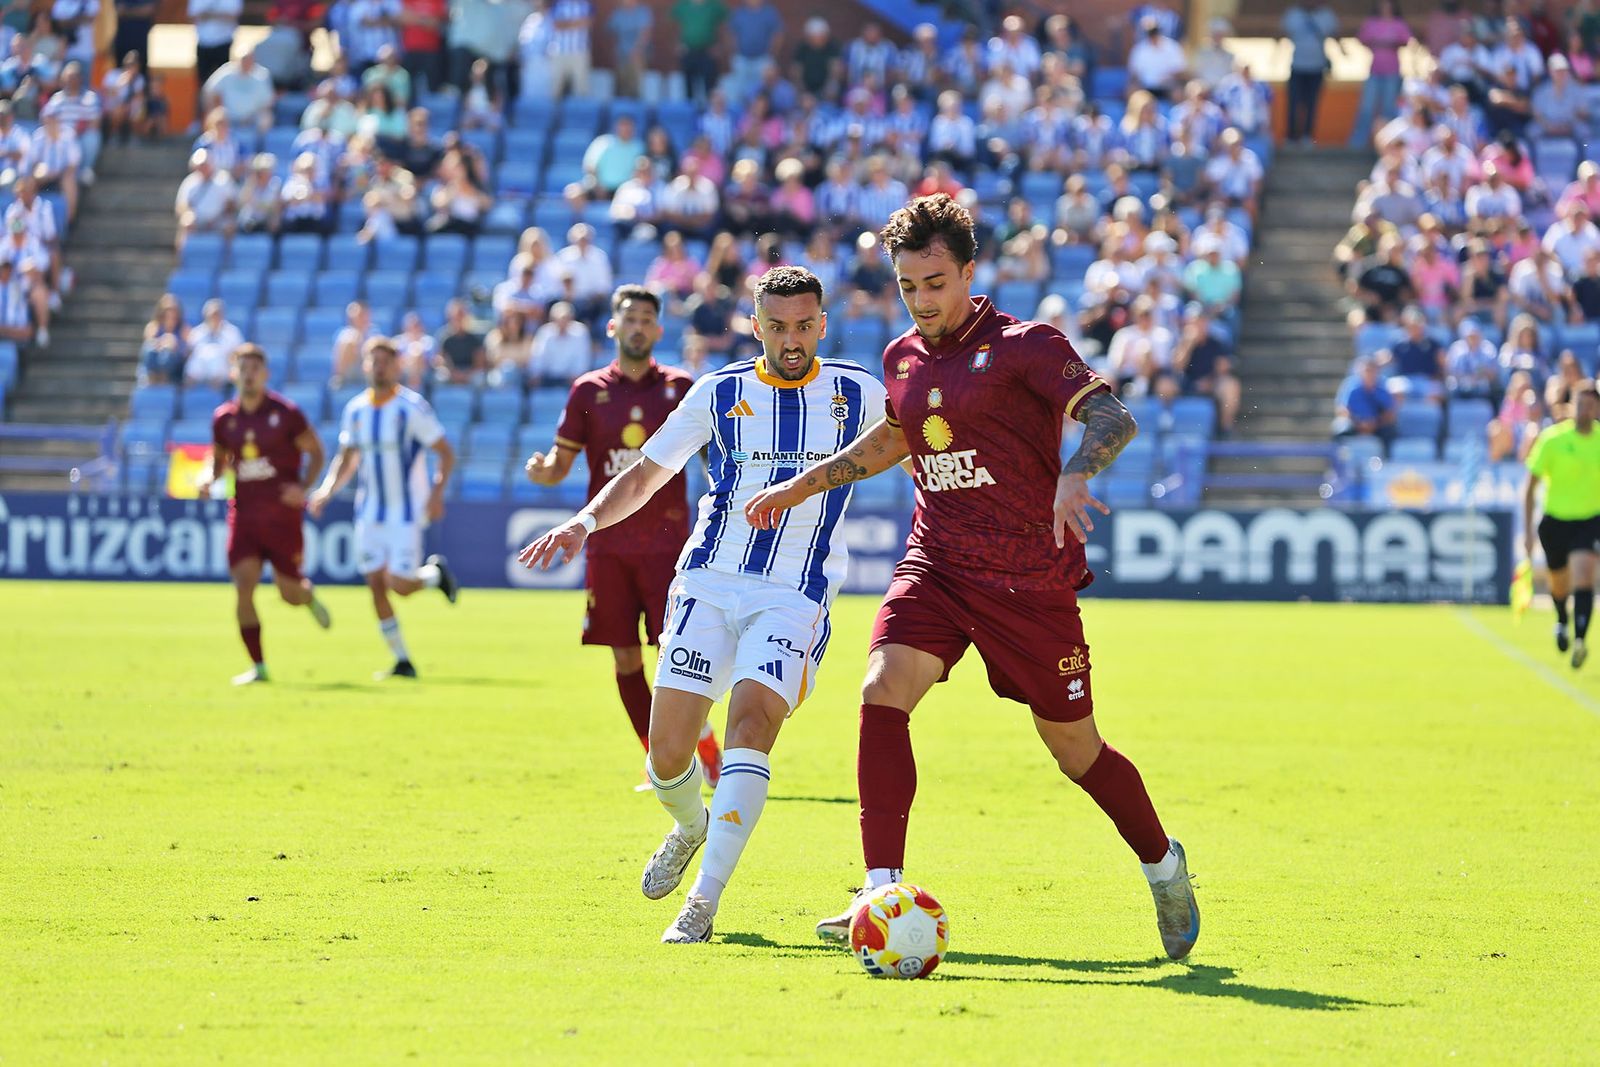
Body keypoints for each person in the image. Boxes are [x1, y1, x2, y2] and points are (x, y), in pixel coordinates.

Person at [742, 194, 1199, 961]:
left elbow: (1114, 417)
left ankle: (1163, 864)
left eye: (936, 282)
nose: (922, 300)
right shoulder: (902, 357)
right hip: (939, 564)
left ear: (969, 273)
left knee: (1076, 751)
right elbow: (896, 436)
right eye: (908, 285)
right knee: (881, 690)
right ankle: (880, 888)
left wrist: (1076, 473)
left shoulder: (1027, 346)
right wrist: (801, 484)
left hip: (1027, 582)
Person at [518, 265, 888, 945]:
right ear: (755, 325)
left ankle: (702, 901)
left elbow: (916, 432)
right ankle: (690, 825)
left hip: (794, 593)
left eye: (805, 325)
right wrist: (584, 521)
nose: (792, 338)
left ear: (823, 325)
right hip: (707, 582)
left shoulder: (857, 392)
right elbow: (648, 472)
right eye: (777, 326)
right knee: (666, 755)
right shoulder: (718, 394)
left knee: (750, 727)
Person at [522, 284, 724, 778]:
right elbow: (559, 464)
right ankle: (662, 764)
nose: (637, 327)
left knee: (676, 658)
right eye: (628, 319)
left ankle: (706, 748)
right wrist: (542, 471)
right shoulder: (588, 391)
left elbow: (715, 459)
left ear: (658, 329)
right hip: (607, 547)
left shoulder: (682, 386)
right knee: (625, 658)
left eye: (646, 319)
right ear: (613, 327)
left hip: (670, 549)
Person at [309, 338, 460, 679]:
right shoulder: (356, 410)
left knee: (400, 585)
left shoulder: (411, 408)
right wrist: (326, 491)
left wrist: (436, 495)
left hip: (405, 512)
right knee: (375, 584)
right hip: (369, 512)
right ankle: (402, 660)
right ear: (365, 365)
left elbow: (445, 452)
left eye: (385, 361)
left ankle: (434, 575)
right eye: (373, 361)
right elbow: (346, 458)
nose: (379, 367)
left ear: (397, 367)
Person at [197, 344, 332, 685]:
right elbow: (218, 463)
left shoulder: (286, 414)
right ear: (233, 373)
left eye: (256, 367)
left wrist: (303, 486)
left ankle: (307, 596)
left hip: (282, 518)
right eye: (243, 367)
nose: (249, 373)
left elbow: (316, 452)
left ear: (266, 374)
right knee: (244, 588)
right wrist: (206, 478)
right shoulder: (223, 419)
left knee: (289, 593)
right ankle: (259, 667)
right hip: (243, 516)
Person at [1524, 380, 1600, 668]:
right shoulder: (1552, 439)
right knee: (1559, 584)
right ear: (1572, 405)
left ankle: (1580, 640)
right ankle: (1561, 618)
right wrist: (1529, 530)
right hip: (1555, 522)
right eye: (1581, 402)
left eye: (1591, 404)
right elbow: (1530, 486)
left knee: (1584, 576)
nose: (1585, 408)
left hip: (1590, 521)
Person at [1281, 1, 1342, 145]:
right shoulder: (1293, 14)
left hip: (1317, 68)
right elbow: (1282, 33)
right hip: (1297, 66)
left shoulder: (1327, 15)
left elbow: (1335, 34)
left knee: (1312, 104)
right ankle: (1291, 136)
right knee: (1294, 103)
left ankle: (1308, 136)